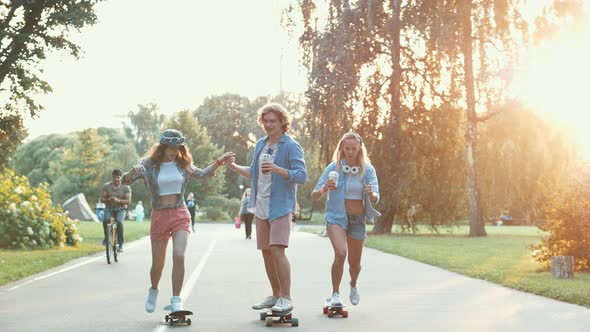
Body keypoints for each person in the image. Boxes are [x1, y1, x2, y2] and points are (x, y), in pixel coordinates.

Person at [121, 129, 234, 313]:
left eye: (178, 147)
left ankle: (176, 300)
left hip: (180, 214)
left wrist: (219, 162)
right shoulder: (148, 164)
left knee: (179, 255)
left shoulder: (183, 164)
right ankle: (154, 289)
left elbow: (203, 174)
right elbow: (126, 181)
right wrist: (132, 171)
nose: (174, 150)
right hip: (159, 216)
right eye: (170, 147)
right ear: (162, 147)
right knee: (157, 265)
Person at [228, 103, 307, 314]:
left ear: (283, 122)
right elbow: (254, 171)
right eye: (266, 121)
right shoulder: (260, 145)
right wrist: (235, 167)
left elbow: (301, 176)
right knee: (266, 253)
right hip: (260, 206)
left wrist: (278, 169)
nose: (269, 125)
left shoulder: (291, 146)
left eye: (273, 121)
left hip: (281, 206)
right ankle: (276, 295)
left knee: (277, 250)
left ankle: (286, 298)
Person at [311, 131, 380, 307]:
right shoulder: (333, 168)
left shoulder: (368, 170)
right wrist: (324, 188)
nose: (350, 152)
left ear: (359, 149)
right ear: (341, 148)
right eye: (347, 148)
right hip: (336, 218)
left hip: (357, 219)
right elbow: (314, 195)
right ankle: (335, 294)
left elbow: (375, 197)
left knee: (354, 264)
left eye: (353, 148)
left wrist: (371, 193)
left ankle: (353, 284)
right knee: (341, 253)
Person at [100, 169, 132, 252]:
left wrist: (119, 201)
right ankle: (106, 238)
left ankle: (120, 244)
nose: (116, 179)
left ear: (121, 177)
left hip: (121, 209)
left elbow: (128, 201)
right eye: (114, 177)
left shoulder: (125, 187)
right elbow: (102, 199)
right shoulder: (106, 186)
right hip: (109, 208)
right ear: (112, 177)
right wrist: (109, 199)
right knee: (105, 220)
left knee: (119, 221)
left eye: (118, 177)